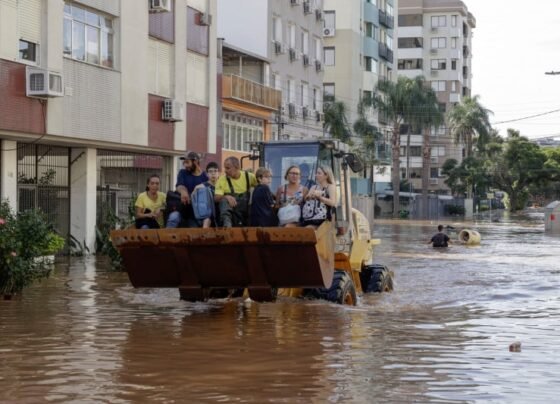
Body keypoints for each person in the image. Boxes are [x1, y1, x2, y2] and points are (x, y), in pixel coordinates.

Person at [167, 151, 209, 228]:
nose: (185, 165)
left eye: (187, 162)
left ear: (195, 162)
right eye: (184, 163)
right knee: (173, 217)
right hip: (183, 209)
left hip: (197, 213)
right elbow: (179, 185)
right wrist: (183, 192)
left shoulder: (205, 177)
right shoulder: (182, 172)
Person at [215, 156, 258, 227]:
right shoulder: (222, 180)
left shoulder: (249, 177)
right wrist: (226, 196)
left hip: (246, 213)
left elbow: (261, 189)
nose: (225, 170)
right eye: (225, 168)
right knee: (223, 201)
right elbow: (216, 198)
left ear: (237, 167)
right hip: (232, 215)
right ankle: (227, 227)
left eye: (228, 168)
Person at [193, 161, 220, 228]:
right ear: (207, 174)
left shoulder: (223, 185)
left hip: (220, 212)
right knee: (207, 220)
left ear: (219, 173)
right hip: (207, 214)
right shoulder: (200, 187)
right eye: (210, 171)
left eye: (215, 171)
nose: (213, 173)